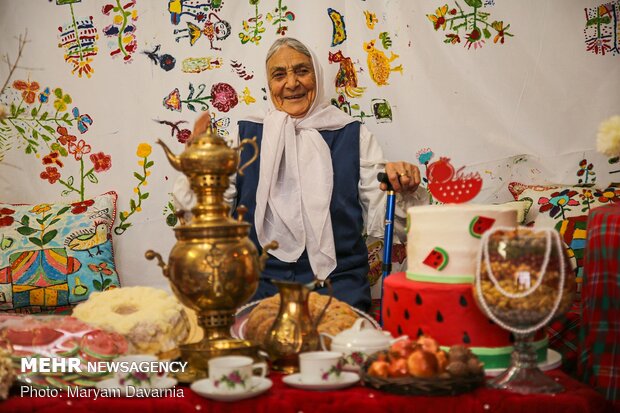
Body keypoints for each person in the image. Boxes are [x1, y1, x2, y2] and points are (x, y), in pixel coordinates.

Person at [174, 37, 428, 312]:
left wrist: (402, 187)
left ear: (316, 75)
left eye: (302, 71)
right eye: (279, 75)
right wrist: (197, 173)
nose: (292, 83)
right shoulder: (245, 135)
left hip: (339, 286)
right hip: (257, 285)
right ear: (268, 84)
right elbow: (205, 217)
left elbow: (389, 220)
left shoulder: (353, 134)